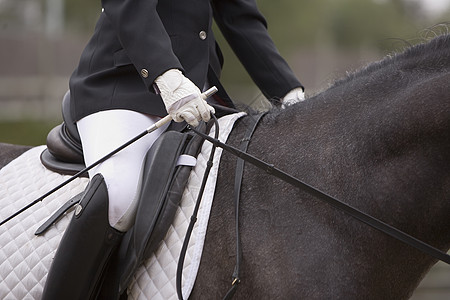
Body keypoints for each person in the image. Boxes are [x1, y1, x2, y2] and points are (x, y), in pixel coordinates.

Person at [42, 0, 304, 298]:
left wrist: (289, 94)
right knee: (119, 195)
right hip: (123, 86)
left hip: (198, 93)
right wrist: (165, 76)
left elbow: (237, 13)